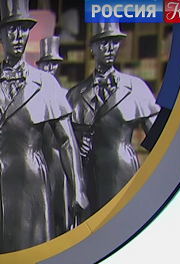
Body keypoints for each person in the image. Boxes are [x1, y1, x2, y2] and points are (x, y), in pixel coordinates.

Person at [0, 0, 86, 255]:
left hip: (32, 185)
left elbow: (66, 140)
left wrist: (78, 189)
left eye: (23, 29)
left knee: (34, 257)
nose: (18, 36)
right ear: (1, 35)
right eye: (11, 29)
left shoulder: (46, 84)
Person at [67, 22, 159, 218]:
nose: (109, 48)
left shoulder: (136, 88)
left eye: (114, 42)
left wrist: (153, 180)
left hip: (122, 172)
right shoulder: (75, 95)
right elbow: (63, 144)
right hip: (90, 178)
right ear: (92, 47)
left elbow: (160, 140)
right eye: (103, 43)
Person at [37, 36, 72, 236]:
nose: (50, 68)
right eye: (46, 64)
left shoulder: (67, 96)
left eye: (53, 64)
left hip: (61, 163)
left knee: (63, 212)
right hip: (41, 161)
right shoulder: (35, 97)